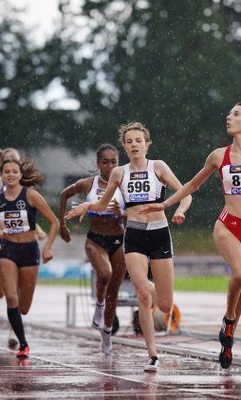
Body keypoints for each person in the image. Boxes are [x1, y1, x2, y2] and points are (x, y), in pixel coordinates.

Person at [139, 102, 241, 369]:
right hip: (228, 225)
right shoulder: (218, 156)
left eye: (236, 114)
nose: (229, 118)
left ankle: (228, 339)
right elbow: (193, 184)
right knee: (240, 275)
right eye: (229, 114)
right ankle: (228, 321)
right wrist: (165, 204)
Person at [65, 122, 192, 372]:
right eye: (130, 141)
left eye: (138, 140)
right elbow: (102, 205)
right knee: (142, 294)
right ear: (125, 146)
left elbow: (186, 193)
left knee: (164, 304)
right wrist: (86, 207)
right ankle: (153, 355)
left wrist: (179, 210)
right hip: (133, 236)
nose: (134, 145)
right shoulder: (119, 173)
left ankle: (160, 296)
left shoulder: (159, 167)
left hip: (159, 234)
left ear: (147, 144)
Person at [0, 159, 59, 359]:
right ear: (2, 175)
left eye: (14, 171)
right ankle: (23, 344)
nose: (11, 175)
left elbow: (54, 222)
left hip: (29, 250)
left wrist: (48, 247)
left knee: (23, 307)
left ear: (20, 175)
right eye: (6, 172)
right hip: (7, 250)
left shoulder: (31, 195)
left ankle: (20, 332)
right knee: (10, 296)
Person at [0, 142, 46, 348]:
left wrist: (37, 229)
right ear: (2, 166)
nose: (11, 170)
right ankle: (15, 324)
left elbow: (25, 215)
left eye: (15, 163)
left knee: (15, 293)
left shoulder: (25, 187)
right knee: (0, 291)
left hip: (23, 244)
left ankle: (14, 331)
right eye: (7, 164)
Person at [58, 144, 127, 355]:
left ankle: (106, 333)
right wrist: (62, 224)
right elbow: (63, 195)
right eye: (104, 162)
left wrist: (122, 213)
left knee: (114, 290)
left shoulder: (124, 184)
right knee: (104, 274)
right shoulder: (88, 184)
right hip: (95, 239)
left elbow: (140, 212)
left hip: (118, 239)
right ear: (98, 164)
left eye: (113, 162)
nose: (109, 166)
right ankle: (98, 304)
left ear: (118, 163)